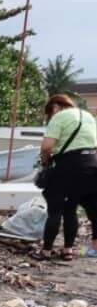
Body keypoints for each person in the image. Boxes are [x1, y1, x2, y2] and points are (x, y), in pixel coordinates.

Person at [35, 93, 97, 261]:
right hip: (91, 164)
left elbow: (47, 147)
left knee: (55, 209)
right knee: (71, 208)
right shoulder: (88, 116)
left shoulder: (60, 116)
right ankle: (67, 250)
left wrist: (46, 162)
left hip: (69, 164)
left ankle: (46, 251)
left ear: (55, 107)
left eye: (50, 113)